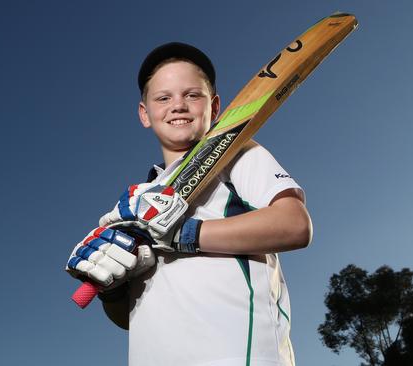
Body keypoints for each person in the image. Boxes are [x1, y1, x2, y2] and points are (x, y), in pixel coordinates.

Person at [66, 42, 312, 366]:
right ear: (144, 113)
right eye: (163, 98)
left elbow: (294, 225)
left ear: (215, 105)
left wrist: (183, 234)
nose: (178, 106)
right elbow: (127, 319)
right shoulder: (133, 204)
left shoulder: (237, 154)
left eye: (192, 95)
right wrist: (111, 286)